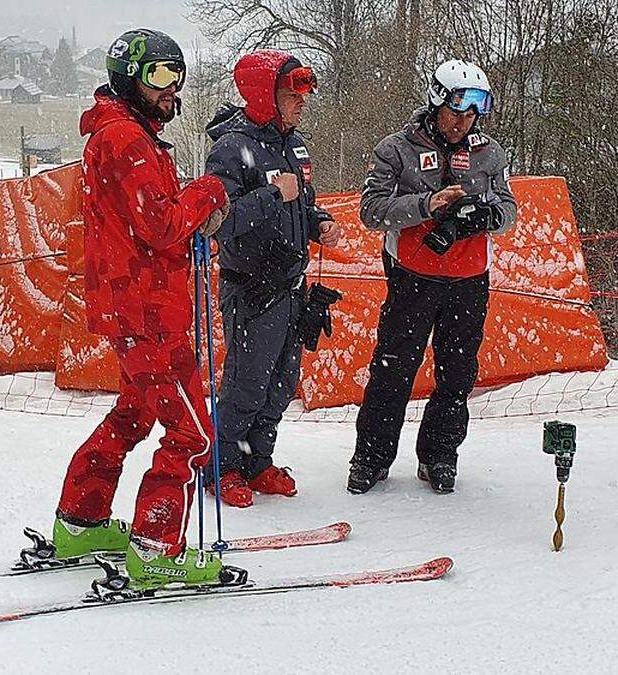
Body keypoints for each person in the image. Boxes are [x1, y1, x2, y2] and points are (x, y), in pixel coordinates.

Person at [51, 29, 237, 589]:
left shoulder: (125, 136)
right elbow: (159, 224)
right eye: (158, 75)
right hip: (149, 313)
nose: (171, 88)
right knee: (194, 433)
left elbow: (149, 222)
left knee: (132, 416)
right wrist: (208, 192)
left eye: (177, 76)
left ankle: (81, 520)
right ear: (128, 76)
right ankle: (156, 547)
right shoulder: (127, 141)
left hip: (138, 308)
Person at [348, 59, 516, 495]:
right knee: (393, 369)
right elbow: (371, 211)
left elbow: (509, 211)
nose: (464, 122)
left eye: (472, 114)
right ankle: (371, 457)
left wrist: (485, 215)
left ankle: (440, 454)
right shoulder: (396, 148)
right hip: (412, 275)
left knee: (457, 372)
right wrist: (427, 205)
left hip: (469, 279)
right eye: (456, 111)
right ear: (436, 101)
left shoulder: (490, 152)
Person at [203, 50, 342, 508]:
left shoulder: (294, 144)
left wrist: (319, 221)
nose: (301, 102)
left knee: (283, 382)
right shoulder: (230, 148)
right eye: (291, 93)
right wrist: (270, 194)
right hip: (251, 286)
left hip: (292, 285)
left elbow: (303, 201)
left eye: (304, 94)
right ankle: (221, 468)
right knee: (246, 383)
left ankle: (258, 461)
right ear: (265, 95)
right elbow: (218, 220)